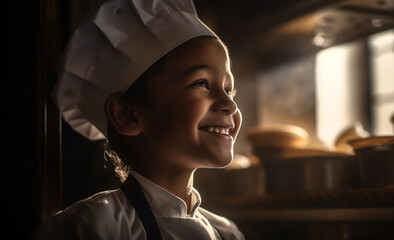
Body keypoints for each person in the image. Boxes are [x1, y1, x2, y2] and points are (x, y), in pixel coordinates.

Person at [31, 0, 244, 239]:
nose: (230, 105)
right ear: (128, 115)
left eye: (229, 89)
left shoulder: (228, 234)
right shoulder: (85, 230)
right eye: (202, 83)